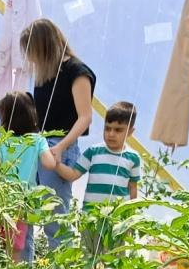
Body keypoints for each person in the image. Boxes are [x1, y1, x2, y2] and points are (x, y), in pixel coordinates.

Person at [20, 18, 96, 251]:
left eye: (31, 51)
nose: (30, 58)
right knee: (27, 216)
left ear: (43, 46)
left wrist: (61, 147)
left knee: (55, 219)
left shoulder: (77, 72)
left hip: (58, 147)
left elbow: (85, 117)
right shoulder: (44, 74)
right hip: (39, 147)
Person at [54, 101, 141, 255]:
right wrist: (55, 163)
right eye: (107, 128)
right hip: (91, 219)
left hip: (117, 221)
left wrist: (131, 219)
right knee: (87, 258)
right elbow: (73, 174)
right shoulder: (94, 152)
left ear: (130, 132)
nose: (111, 134)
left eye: (118, 130)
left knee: (114, 261)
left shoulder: (133, 158)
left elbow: (133, 188)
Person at [0, 91, 57, 262]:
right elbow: (49, 164)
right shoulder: (37, 140)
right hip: (22, 202)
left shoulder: (2, 140)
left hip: (0, 198)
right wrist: (55, 155)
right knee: (15, 248)